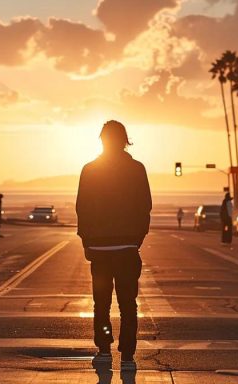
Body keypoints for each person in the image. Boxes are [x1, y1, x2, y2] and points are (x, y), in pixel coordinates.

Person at [76, 120, 151, 372]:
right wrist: (137, 238)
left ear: (102, 139)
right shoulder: (136, 169)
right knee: (128, 303)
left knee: (102, 302)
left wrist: (86, 240)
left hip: (100, 249)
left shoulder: (90, 169)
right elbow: (145, 206)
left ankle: (104, 347)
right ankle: (128, 353)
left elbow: (82, 208)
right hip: (127, 248)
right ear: (124, 140)